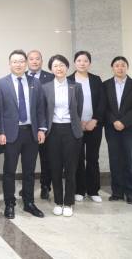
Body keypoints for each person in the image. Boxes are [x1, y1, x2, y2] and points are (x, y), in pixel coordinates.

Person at [0, 50, 47, 219]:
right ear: (9, 64)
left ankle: (29, 202)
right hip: (11, 133)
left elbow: (40, 108)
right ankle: (9, 203)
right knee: (9, 170)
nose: (18, 64)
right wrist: (1, 132)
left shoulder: (35, 82)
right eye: (14, 61)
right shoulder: (1, 83)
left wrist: (42, 129)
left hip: (31, 132)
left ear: (25, 64)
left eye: (21, 61)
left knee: (29, 171)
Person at [43, 54, 83, 217]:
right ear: (51, 69)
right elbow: (43, 110)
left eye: (61, 65)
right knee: (55, 168)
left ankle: (69, 202)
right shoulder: (45, 87)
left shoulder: (76, 87)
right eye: (55, 66)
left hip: (71, 131)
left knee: (71, 168)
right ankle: (58, 201)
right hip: (52, 131)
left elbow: (78, 110)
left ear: (67, 67)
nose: (59, 68)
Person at [103, 56, 132, 205]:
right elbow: (104, 106)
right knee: (115, 161)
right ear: (112, 68)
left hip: (131, 129)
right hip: (112, 129)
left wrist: (124, 122)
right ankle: (117, 192)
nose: (120, 68)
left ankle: (131, 193)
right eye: (117, 65)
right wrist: (114, 121)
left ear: (127, 67)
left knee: (130, 161)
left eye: (123, 65)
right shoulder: (106, 85)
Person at [68, 51, 105, 203]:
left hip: (94, 126)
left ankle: (93, 190)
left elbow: (102, 102)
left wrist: (94, 120)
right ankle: (79, 190)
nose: (82, 63)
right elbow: (67, 104)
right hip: (75, 126)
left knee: (92, 158)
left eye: (85, 61)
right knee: (77, 159)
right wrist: (78, 122)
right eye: (79, 60)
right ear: (74, 63)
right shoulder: (68, 80)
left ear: (89, 63)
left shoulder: (96, 80)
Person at [26, 49, 54, 200]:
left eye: (37, 59)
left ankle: (45, 186)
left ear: (42, 61)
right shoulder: (22, 76)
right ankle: (27, 188)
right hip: (27, 126)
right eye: (31, 59)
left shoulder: (50, 77)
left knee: (46, 158)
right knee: (27, 160)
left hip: (45, 125)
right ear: (27, 62)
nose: (34, 61)